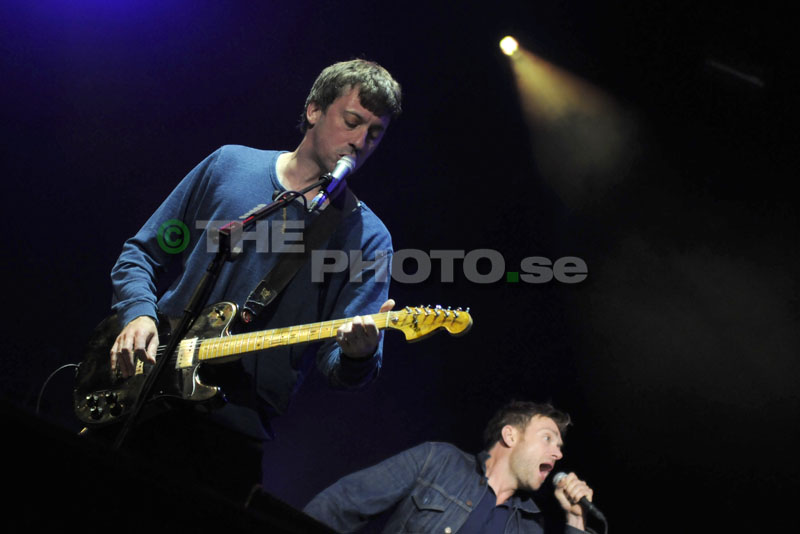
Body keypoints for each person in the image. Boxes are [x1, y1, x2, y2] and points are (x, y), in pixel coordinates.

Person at [100, 59, 402, 503]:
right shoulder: (228, 166)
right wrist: (138, 315)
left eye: (374, 134)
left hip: (228, 440)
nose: (359, 142)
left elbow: (340, 368)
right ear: (314, 110)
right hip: (140, 396)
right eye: (352, 122)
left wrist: (359, 355)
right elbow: (141, 254)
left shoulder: (368, 237)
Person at [303, 401, 600, 533]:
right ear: (510, 436)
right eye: (547, 438)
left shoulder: (529, 525)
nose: (557, 453)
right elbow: (342, 504)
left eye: (560, 447)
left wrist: (576, 520)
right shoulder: (439, 461)